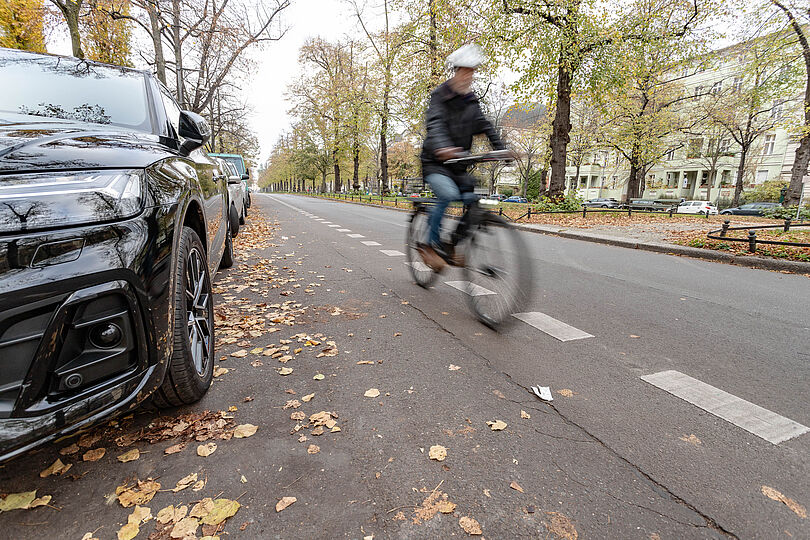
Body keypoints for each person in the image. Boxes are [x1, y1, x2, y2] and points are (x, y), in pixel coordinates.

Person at [419, 44, 506, 272]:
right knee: (448, 194)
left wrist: (501, 149)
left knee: (473, 201)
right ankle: (430, 245)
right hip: (435, 163)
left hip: (458, 166)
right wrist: (443, 147)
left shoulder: (471, 101)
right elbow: (435, 123)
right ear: (456, 71)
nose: (468, 76)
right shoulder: (440, 96)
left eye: (472, 72)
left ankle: (452, 244)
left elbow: (484, 125)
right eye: (464, 71)